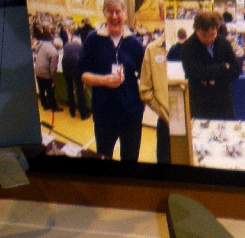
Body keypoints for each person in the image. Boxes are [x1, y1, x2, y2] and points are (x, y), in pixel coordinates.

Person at [80, 0, 145, 161]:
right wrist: (103, 80)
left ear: (125, 14)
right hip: (104, 116)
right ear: (104, 13)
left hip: (131, 117)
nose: (114, 16)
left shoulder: (135, 44)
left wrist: (140, 106)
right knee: (104, 159)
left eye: (118, 12)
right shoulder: (92, 40)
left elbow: (145, 77)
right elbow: (83, 74)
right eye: (110, 11)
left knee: (130, 161)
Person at [181, 11, 239, 120]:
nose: (208, 39)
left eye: (212, 35)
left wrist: (209, 76)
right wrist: (223, 67)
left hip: (224, 104)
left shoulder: (224, 43)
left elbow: (236, 69)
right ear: (196, 30)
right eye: (204, 35)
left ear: (217, 29)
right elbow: (194, 72)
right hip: (200, 105)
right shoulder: (188, 47)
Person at [139, 31, 170, 163]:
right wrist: (163, 113)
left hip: (194, 123)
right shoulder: (152, 50)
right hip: (165, 122)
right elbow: (145, 90)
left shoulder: (196, 48)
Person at [62, 33, 89, 119]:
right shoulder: (81, 47)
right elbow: (84, 61)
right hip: (76, 67)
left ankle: (72, 112)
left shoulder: (66, 45)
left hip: (65, 67)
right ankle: (83, 114)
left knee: (69, 89)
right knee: (80, 90)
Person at [33, 30, 62, 112]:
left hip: (37, 70)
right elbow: (53, 68)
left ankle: (44, 105)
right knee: (50, 91)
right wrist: (53, 79)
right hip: (45, 73)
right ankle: (54, 107)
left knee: (41, 90)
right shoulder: (54, 52)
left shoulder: (42, 45)